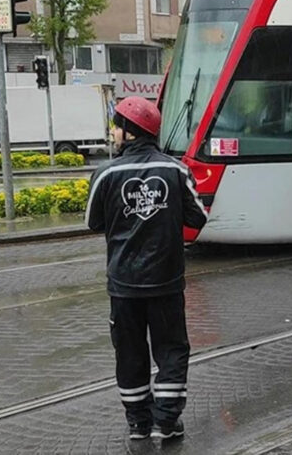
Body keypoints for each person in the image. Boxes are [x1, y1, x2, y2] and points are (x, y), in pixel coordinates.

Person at [85, 96, 208, 440]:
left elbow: (93, 222)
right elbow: (199, 217)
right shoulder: (176, 171)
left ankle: (138, 423)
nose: (112, 132)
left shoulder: (106, 173)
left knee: (129, 352)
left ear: (128, 131)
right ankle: (166, 423)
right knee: (171, 350)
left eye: (116, 125)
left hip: (123, 285)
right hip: (167, 283)